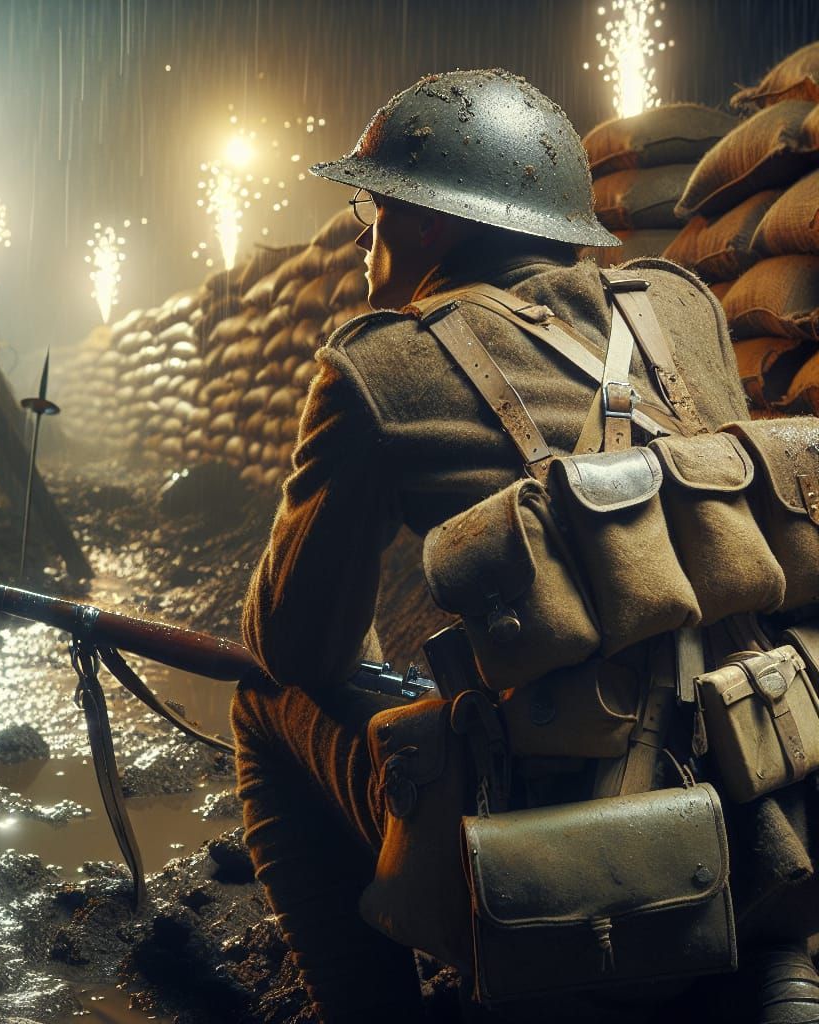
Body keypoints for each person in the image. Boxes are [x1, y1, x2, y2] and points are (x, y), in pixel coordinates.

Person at [230, 69, 819, 1024]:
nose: (361, 231)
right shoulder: (683, 307)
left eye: (372, 207)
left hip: (571, 860)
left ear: (429, 223)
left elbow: (293, 646)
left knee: (264, 703)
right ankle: (769, 956)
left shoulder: (379, 364)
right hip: (763, 804)